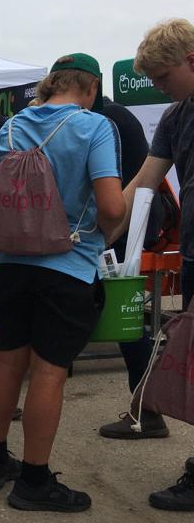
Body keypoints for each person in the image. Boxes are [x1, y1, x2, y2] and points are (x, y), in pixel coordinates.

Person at [0, 53, 124, 512]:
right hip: (67, 262)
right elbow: (111, 205)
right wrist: (108, 232)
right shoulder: (94, 127)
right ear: (92, 86)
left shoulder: (10, 127)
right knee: (48, 370)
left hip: (10, 261)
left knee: (8, 360)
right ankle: (34, 481)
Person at [122, 18, 194, 511]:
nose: (159, 86)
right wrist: (102, 231)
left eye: (164, 77)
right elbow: (143, 185)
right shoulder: (174, 115)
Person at [97, 98, 164, 439]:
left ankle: (147, 410)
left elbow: (122, 181)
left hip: (127, 226)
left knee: (126, 320)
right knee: (126, 319)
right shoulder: (114, 116)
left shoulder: (106, 121)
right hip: (130, 223)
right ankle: (147, 409)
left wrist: (105, 234)